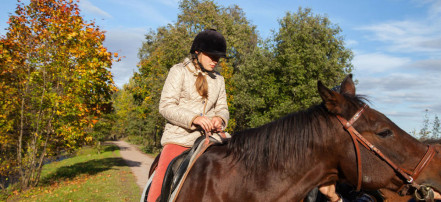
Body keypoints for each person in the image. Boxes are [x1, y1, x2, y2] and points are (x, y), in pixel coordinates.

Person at [146, 29, 229, 202]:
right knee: (161, 182)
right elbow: (166, 106)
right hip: (180, 138)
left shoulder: (219, 80)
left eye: (218, 57)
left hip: (211, 139)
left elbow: (223, 107)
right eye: (211, 56)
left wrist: (219, 118)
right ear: (197, 52)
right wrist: (194, 119)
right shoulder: (179, 71)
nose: (215, 61)